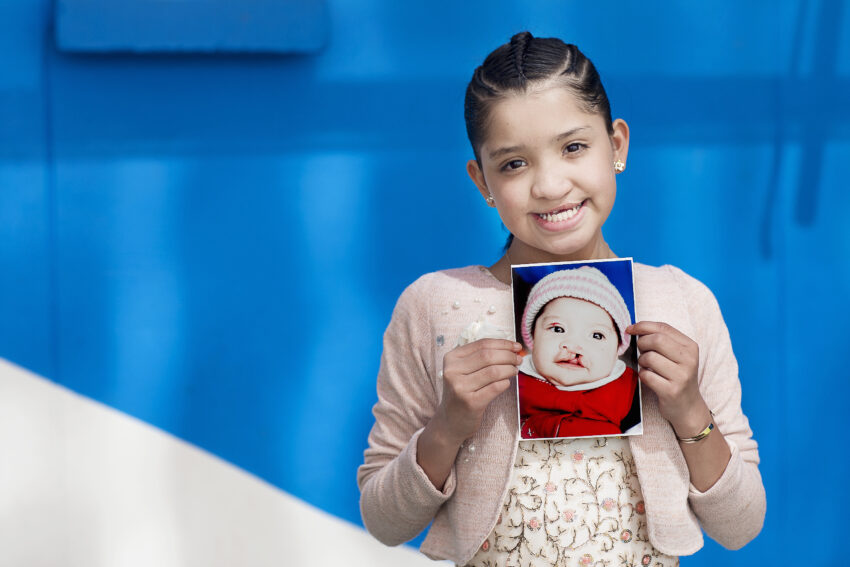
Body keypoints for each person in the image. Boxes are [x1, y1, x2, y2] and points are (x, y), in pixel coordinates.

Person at [358, 31, 765, 566]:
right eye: (513, 164)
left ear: (617, 146)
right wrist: (448, 427)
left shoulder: (682, 301)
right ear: (481, 181)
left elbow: (741, 525)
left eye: (573, 147)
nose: (550, 186)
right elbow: (384, 522)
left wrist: (690, 409)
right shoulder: (435, 305)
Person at [517, 265, 640, 439]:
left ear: (617, 350)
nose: (574, 347)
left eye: (597, 335)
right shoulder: (514, 382)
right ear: (533, 337)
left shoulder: (631, 390)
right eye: (558, 329)